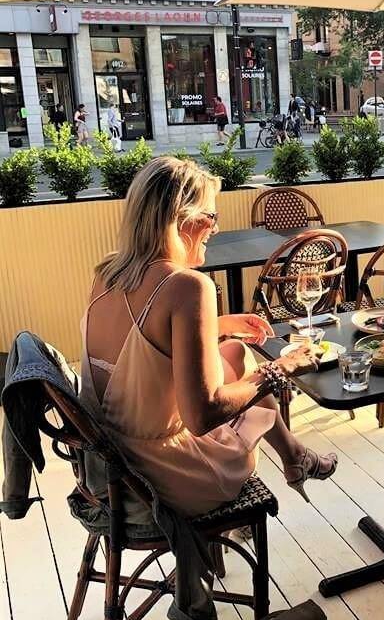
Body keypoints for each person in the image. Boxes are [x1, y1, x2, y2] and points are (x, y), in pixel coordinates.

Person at [80, 157, 337, 518]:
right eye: (211, 217)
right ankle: (293, 457)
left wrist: (218, 325)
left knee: (234, 351)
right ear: (182, 219)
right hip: (158, 478)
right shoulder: (186, 286)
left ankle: (293, 455)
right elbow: (202, 416)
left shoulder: (109, 272)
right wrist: (283, 368)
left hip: (108, 466)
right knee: (251, 379)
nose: (215, 228)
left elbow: (134, 343)